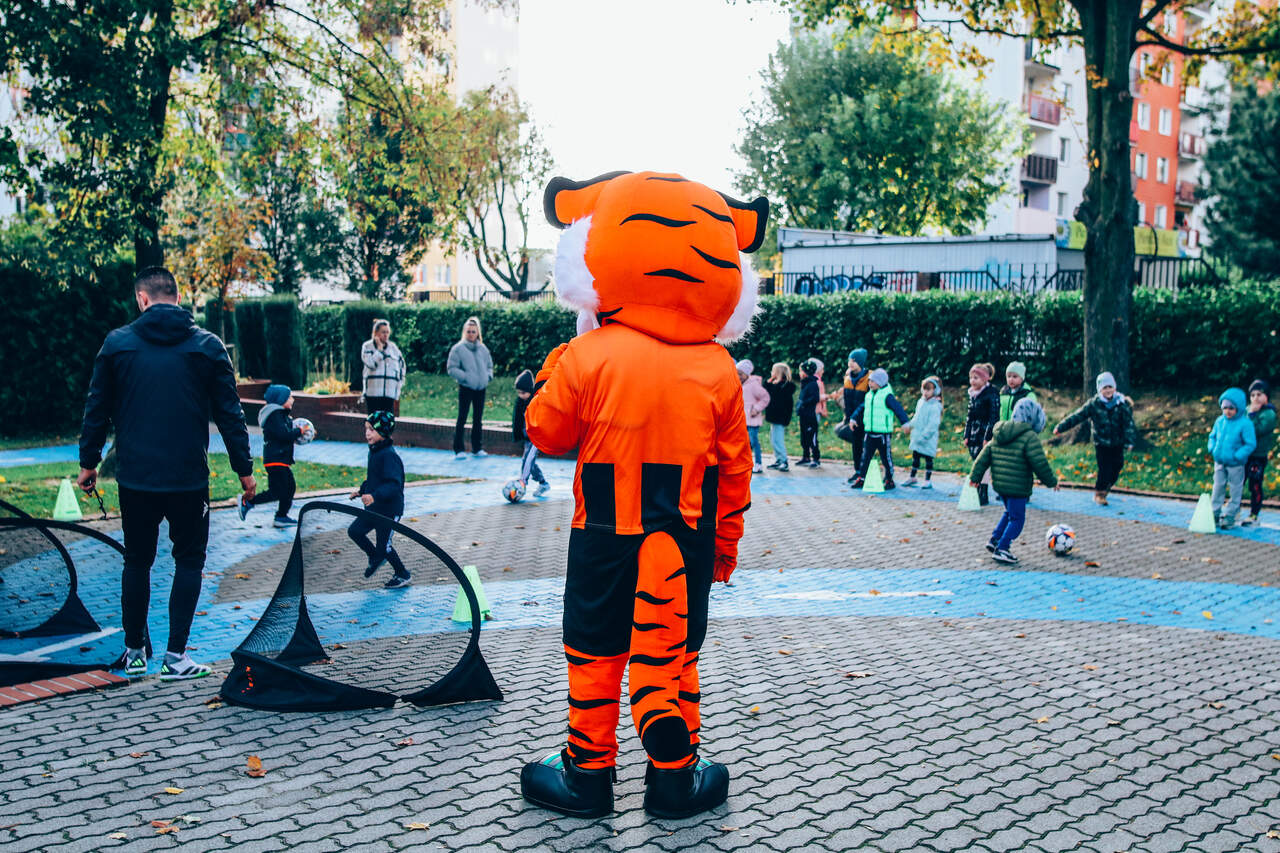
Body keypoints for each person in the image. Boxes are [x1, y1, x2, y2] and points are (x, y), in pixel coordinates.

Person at [520, 169, 762, 820]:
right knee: (676, 653)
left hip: (602, 534)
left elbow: (544, 430)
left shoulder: (588, 355)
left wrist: (550, 372)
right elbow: (735, 471)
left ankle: (587, 772)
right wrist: (725, 547)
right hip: (685, 539)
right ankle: (675, 778)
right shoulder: (720, 370)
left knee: (594, 653)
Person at [77, 266, 256, 681]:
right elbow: (230, 414)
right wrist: (244, 472)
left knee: (137, 560)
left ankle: (134, 653)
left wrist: (89, 463)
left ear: (142, 299)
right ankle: (176, 657)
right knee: (189, 561)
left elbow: (96, 408)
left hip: (136, 478)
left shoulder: (117, 344)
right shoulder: (207, 346)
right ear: (177, 297)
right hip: (188, 479)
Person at [968, 398, 1060, 564]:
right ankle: (1002, 548)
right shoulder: (1029, 437)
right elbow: (1039, 463)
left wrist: (975, 477)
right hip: (1017, 486)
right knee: (1017, 519)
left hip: (1000, 485)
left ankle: (995, 539)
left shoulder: (1000, 432)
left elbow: (984, 456)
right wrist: (1052, 481)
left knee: (1009, 513)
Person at [1053, 371, 1139, 506]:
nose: (1108, 390)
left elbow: (1128, 424)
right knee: (1104, 468)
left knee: (1117, 466)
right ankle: (1100, 493)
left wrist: (1130, 441)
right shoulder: (1094, 404)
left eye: (1110, 387)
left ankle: (1107, 486)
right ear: (1100, 390)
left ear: (1114, 388)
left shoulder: (1121, 403)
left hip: (1117, 442)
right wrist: (1061, 427)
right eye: (1105, 388)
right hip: (1101, 443)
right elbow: (1078, 416)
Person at [348, 410, 410, 588]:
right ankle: (375, 557)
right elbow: (374, 479)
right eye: (366, 429)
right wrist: (361, 491)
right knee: (355, 531)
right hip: (374, 508)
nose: (367, 433)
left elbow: (393, 484)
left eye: (372, 430)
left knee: (385, 547)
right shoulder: (374, 451)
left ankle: (402, 574)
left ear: (383, 432)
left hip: (389, 509)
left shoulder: (389, 455)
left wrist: (375, 496)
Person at [240, 384, 310, 528]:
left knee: (287, 488)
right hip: (276, 460)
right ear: (280, 399)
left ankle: (281, 516)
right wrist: (299, 431)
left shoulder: (280, 415)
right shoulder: (275, 415)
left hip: (279, 459)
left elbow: (286, 433)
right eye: (289, 397)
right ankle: (249, 502)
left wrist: (302, 434)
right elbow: (283, 435)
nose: (292, 399)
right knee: (279, 490)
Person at [848, 368, 911, 490]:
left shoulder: (887, 396)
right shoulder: (869, 396)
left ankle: (889, 479)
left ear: (881, 383)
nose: (870, 383)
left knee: (886, 458)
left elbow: (898, 409)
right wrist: (853, 418)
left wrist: (905, 422)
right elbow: (861, 408)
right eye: (869, 381)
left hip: (883, 434)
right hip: (869, 432)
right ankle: (862, 478)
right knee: (865, 457)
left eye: (873, 381)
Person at [1207, 387, 1257, 529]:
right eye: (1225, 408)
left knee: (1235, 490)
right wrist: (1212, 448)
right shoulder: (1220, 421)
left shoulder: (1245, 424)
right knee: (1218, 487)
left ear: (1239, 408)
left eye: (1231, 408)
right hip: (1220, 461)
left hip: (1235, 464)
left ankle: (1230, 515)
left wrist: (1238, 455)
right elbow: (1212, 436)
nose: (1227, 411)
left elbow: (1250, 443)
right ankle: (1215, 513)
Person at [447, 316, 494, 459]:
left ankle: (477, 448)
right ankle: (459, 449)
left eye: (473, 331)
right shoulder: (458, 349)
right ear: (464, 332)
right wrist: (466, 377)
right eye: (468, 331)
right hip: (466, 387)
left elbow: (489, 365)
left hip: (481, 388)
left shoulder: (483, 349)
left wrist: (488, 376)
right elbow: (451, 368)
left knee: (478, 419)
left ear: (478, 332)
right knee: (462, 417)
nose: (471, 334)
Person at [963, 363, 1001, 506]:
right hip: (974, 433)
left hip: (985, 433)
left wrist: (988, 437)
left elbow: (993, 417)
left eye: (976, 378)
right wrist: (966, 435)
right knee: (977, 462)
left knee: (984, 464)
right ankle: (978, 489)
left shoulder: (992, 393)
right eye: (971, 378)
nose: (973, 381)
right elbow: (970, 416)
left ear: (985, 379)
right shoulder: (973, 394)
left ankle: (983, 492)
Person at [512, 369, 550, 496]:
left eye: (523, 392)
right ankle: (543, 482)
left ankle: (523, 482)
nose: (521, 395)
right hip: (527, 437)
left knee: (528, 460)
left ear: (529, 390)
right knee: (529, 461)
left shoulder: (535, 402)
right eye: (519, 393)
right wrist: (518, 435)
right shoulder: (520, 403)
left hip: (537, 437)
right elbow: (517, 421)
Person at [1244, 379, 1276, 526]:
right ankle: (1234, 510)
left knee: (1255, 485)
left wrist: (1252, 415)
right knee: (1239, 482)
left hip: (1258, 456)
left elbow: (1255, 431)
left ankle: (1254, 515)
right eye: (1253, 395)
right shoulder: (1246, 410)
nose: (1255, 398)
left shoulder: (1269, 414)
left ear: (1266, 396)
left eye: (1259, 394)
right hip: (1245, 454)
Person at [835, 348, 870, 481]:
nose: (851, 363)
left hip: (865, 418)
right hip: (852, 419)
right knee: (856, 445)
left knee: (866, 445)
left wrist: (857, 415)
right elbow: (847, 400)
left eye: (854, 361)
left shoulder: (868, 379)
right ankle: (858, 471)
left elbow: (868, 400)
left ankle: (865, 471)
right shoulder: (847, 379)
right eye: (850, 360)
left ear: (860, 362)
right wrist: (847, 416)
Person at [904, 376, 943, 489]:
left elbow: (933, 425)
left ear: (935, 390)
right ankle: (912, 477)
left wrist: (924, 436)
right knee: (915, 457)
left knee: (928, 458)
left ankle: (927, 480)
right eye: (924, 389)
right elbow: (916, 417)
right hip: (917, 435)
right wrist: (909, 425)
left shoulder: (935, 406)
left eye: (928, 389)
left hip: (928, 438)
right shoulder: (920, 402)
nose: (926, 392)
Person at [361, 318, 405, 414]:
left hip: (389, 394)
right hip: (373, 394)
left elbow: (402, 367)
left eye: (387, 332)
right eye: (383, 332)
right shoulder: (367, 346)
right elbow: (371, 364)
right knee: (374, 422)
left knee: (388, 421)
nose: (386, 335)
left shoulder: (393, 348)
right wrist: (379, 350)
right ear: (376, 333)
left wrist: (399, 386)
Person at [736, 359, 771, 474]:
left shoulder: (753, 385)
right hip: (742, 420)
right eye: (737, 374)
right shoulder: (740, 384)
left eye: (740, 374)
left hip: (752, 420)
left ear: (747, 374)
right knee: (743, 443)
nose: (738, 376)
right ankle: (744, 463)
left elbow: (765, 397)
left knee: (753, 442)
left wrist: (756, 409)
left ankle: (758, 463)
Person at [763, 363, 795, 471]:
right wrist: (770, 380)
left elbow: (777, 394)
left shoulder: (785, 387)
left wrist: (773, 381)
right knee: (773, 440)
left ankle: (783, 461)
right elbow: (766, 388)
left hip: (780, 418)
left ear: (778, 373)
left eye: (773, 371)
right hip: (774, 418)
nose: (771, 373)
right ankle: (778, 459)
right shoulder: (775, 385)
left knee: (778, 440)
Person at [796, 359, 822, 468]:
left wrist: (803, 403)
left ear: (806, 372)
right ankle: (806, 456)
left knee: (812, 438)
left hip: (810, 416)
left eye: (801, 371)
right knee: (804, 437)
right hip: (803, 415)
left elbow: (815, 398)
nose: (799, 373)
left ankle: (816, 458)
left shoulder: (813, 384)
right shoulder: (805, 383)